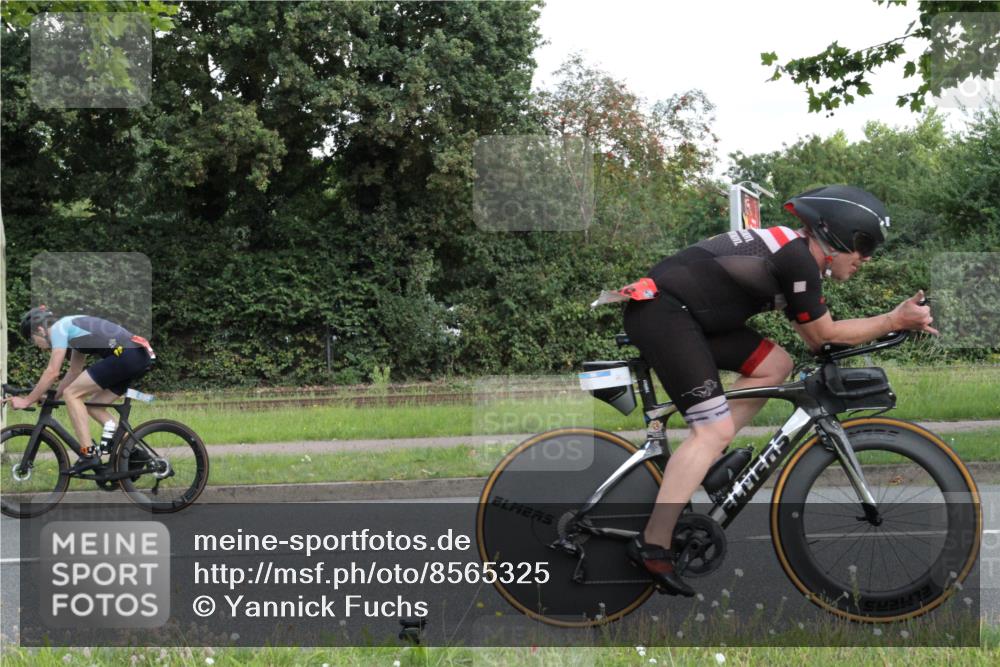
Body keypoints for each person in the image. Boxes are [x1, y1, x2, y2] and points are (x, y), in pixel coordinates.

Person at [622, 185, 938, 596]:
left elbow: (813, 341)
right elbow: (824, 334)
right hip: (664, 312)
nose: (865, 258)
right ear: (837, 235)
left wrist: (891, 322)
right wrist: (893, 319)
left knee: (776, 365)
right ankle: (653, 545)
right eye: (863, 246)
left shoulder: (796, 258)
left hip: (687, 315)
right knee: (710, 430)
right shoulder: (797, 258)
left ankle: (708, 460)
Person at [6, 306, 155, 474]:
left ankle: (88, 454)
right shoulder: (72, 332)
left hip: (127, 355)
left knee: (72, 394)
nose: (37, 346)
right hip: (135, 356)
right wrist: (52, 396)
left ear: (40, 330)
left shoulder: (58, 329)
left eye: (33, 340)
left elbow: (52, 372)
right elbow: (73, 372)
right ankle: (134, 452)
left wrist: (27, 400)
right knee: (94, 406)